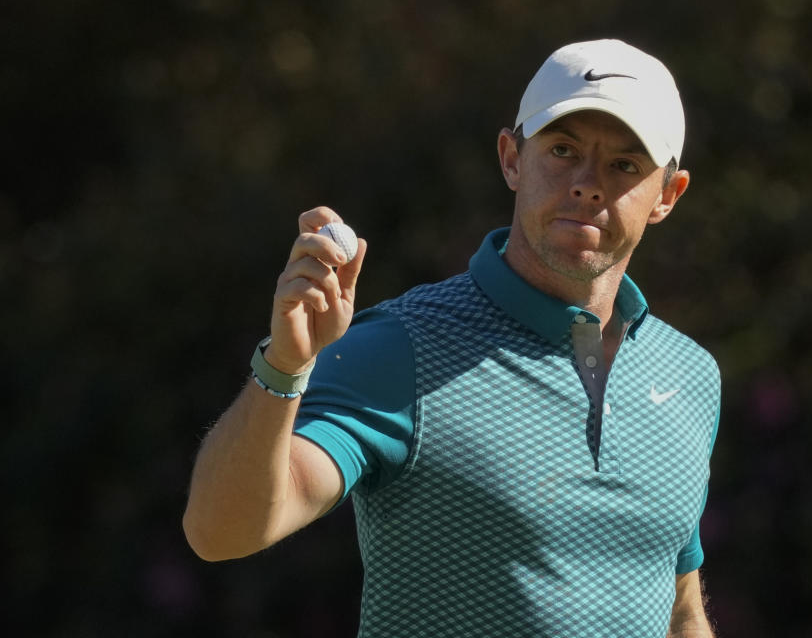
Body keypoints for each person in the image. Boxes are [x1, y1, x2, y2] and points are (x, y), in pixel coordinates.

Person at [184, 39, 721, 638]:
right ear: (512, 158)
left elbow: (677, 608)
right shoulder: (402, 347)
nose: (588, 184)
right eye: (563, 150)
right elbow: (220, 532)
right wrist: (284, 367)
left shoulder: (689, 375)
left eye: (624, 164)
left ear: (667, 196)